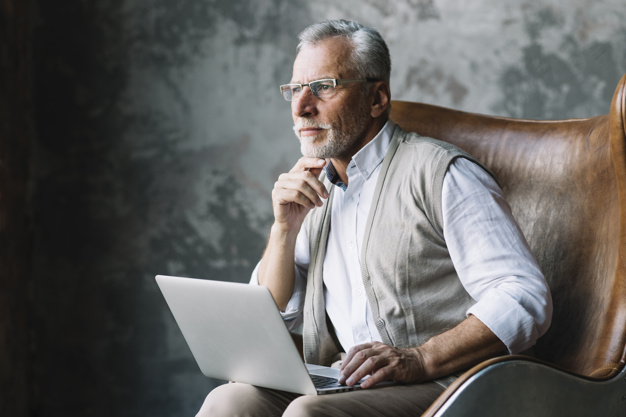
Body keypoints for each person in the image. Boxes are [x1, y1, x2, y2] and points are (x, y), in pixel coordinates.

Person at [197, 19, 552, 417]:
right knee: (228, 400)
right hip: (347, 383)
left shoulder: (442, 173)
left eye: (323, 86)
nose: (301, 107)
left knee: (306, 414)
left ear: (377, 98)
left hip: (448, 384)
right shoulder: (313, 189)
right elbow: (269, 317)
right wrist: (283, 230)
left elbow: (524, 295)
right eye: (295, 89)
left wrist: (421, 358)